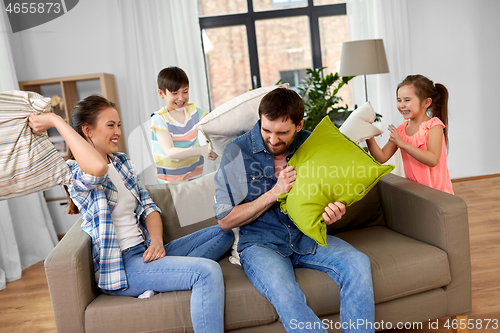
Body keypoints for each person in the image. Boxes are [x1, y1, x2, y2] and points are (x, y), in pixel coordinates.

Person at [28, 95, 233, 333]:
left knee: (226, 230)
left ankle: (165, 276)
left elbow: (149, 208)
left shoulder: (122, 162)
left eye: (118, 125)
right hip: (123, 266)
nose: (117, 132)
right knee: (206, 273)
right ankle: (168, 275)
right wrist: (55, 119)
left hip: (145, 251)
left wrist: (156, 242)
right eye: (110, 125)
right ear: (88, 131)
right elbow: (97, 168)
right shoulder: (74, 172)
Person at [213, 88, 375, 333]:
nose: (273, 139)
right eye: (266, 130)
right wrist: (274, 193)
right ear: (260, 120)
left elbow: (329, 193)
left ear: (299, 125)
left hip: (306, 237)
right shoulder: (237, 152)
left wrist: (332, 211)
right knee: (284, 291)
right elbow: (225, 220)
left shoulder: (312, 144)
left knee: (358, 263)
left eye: (282, 133)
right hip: (261, 244)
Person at [366, 74, 454, 194]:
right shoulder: (401, 130)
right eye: (399, 100)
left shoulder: (434, 126)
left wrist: (403, 144)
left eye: (407, 100)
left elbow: (433, 159)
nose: (402, 105)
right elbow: (381, 158)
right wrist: (368, 135)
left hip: (437, 194)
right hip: (416, 193)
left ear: (426, 102)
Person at [151, 66, 217, 183]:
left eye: (185, 91)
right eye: (175, 93)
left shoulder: (195, 112)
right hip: (170, 182)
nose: (181, 98)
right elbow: (170, 152)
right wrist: (201, 150)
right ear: (161, 93)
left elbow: (215, 126)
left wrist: (214, 149)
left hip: (194, 177)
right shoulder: (159, 119)